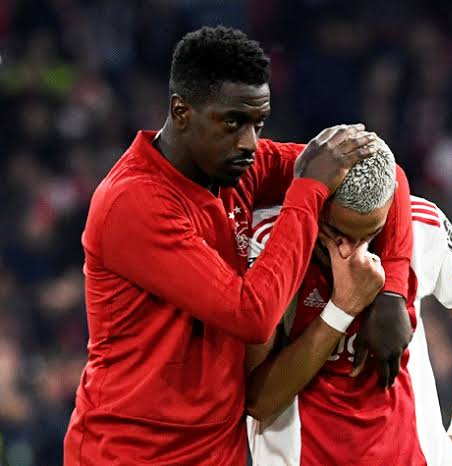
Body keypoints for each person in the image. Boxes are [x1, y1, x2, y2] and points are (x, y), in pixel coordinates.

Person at [63, 26, 399, 466]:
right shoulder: (133, 203)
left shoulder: (236, 168)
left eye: (258, 123)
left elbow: (377, 167)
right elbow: (252, 315)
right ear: (181, 112)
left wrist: (393, 290)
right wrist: (306, 191)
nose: (249, 143)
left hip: (218, 452)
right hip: (129, 454)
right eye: (233, 122)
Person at [244, 139, 452, 465]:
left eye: (368, 236)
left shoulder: (422, 226)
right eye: (337, 234)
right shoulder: (269, 243)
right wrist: (342, 309)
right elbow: (259, 401)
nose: (351, 251)